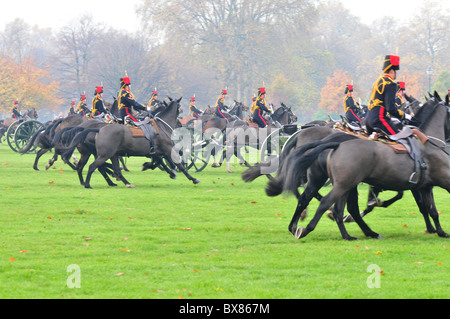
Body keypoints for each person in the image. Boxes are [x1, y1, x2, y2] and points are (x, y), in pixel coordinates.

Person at [365, 55, 411, 136]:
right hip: (379, 120)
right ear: (392, 71)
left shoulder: (377, 81)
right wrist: (405, 116)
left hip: (368, 120)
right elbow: (391, 108)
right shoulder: (390, 83)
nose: (396, 73)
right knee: (401, 138)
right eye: (396, 71)